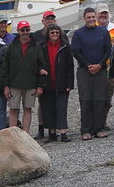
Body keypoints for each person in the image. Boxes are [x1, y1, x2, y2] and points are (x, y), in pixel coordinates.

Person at [71, 7, 112, 140]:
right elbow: (76, 51)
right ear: (84, 18)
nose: (91, 19)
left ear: (96, 17)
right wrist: (88, 65)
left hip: (100, 69)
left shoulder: (103, 31)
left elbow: (108, 50)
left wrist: (100, 65)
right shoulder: (78, 33)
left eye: (93, 17)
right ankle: (86, 130)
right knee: (86, 99)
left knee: (100, 99)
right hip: (84, 70)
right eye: (88, 17)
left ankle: (98, 129)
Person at [2, 20, 47, 133]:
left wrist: (40, 86)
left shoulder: (36, 46)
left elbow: (42, 66)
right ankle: (13, 135)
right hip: (14, 84)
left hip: (31, 84)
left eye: (27, 30)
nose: (25, 32)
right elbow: (5, 68)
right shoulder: (11, 46)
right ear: (18, 31)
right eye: (22, 30)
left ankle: (25, 134)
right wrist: (6, 86)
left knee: (28, 109)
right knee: (13, 109)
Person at [32, 10, 68, 139]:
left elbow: (67, 57)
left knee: (58, 105)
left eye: (52, 18)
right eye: (47, 19)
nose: (50, 21)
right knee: (43, 105)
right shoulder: (36, 35)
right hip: (42, 76)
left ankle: (59, 129)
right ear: (42, 21)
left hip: (58, 76)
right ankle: (42, 129)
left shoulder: (62, 34)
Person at [39, 24, 74, 143]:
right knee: (48, 109)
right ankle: (52, 133)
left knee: (61, 108)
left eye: (57, 33)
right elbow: (37, 62)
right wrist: (40, 71)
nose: (54, 35)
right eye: (52, 32)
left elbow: (70, 66)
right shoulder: (42, 46)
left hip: (62, 82)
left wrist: (70, 84)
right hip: (47, 82)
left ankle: (63, 133)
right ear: (48, 34)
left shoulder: (65, 46)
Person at [96, 3, 114, 131]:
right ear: (96, 15)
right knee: (94, 96)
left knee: (107, 97)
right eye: (101, 13)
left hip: (110, 69)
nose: (103, 15)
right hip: (95, 69)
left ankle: (103, 122)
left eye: (105, 13)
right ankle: (95, 121)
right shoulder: (91, 27)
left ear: (108, 14)